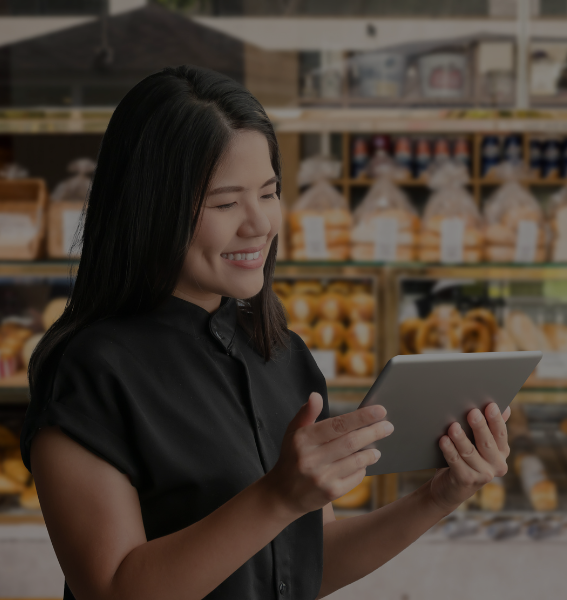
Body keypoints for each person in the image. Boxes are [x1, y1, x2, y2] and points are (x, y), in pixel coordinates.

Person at [21, 65, 511, 600]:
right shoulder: (90, 369)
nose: (258, 224)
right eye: (226, 202)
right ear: (149, 208)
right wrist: (279, 496)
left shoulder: (282, 354)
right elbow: (113, 590)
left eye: (269, 192)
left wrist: (438, 497)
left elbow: (307, 564)